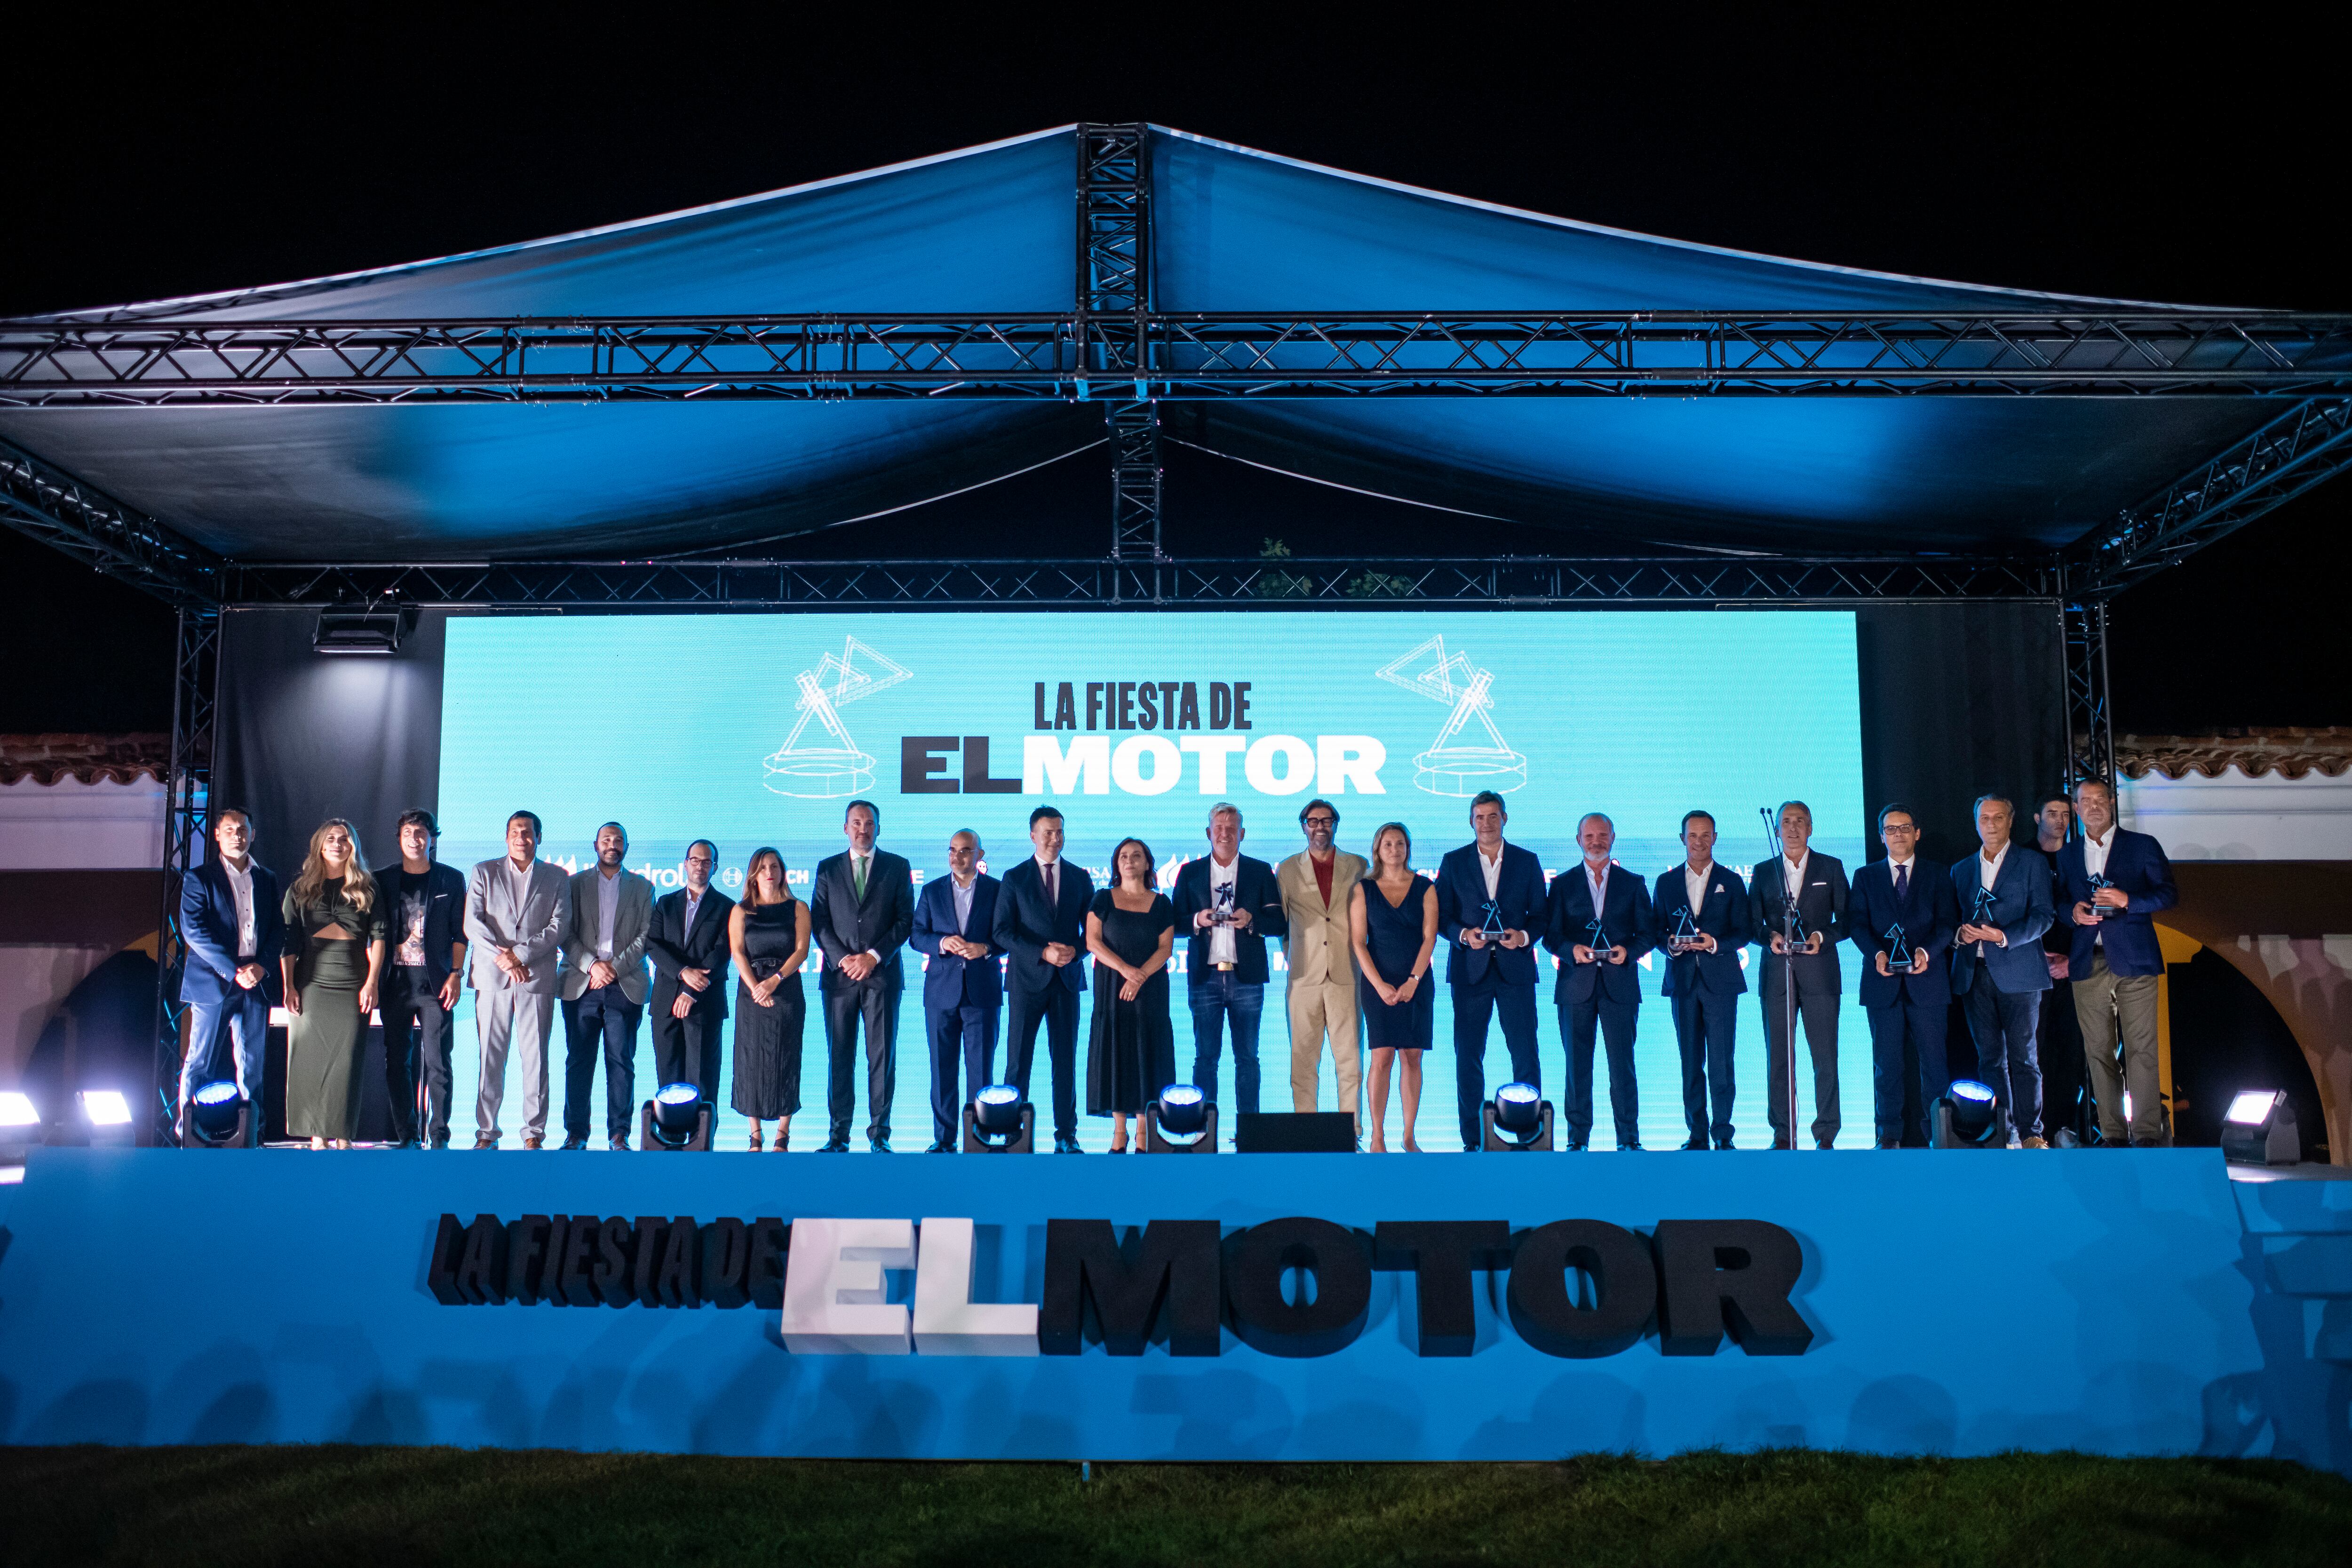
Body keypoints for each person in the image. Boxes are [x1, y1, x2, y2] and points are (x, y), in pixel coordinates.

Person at [2059, 778, 2178, 1146]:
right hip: (2087, 961)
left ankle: (2145, 1135)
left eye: (2100, 799)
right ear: (2076, 810)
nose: (2093, 806)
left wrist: (2129, 899)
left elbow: (2168, 894)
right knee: (2098, 1052)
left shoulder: (2142, 846)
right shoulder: (2067, 853)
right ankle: (2112, 1135)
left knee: (2142, 1050)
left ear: (2112, 803)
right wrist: (2074, 913)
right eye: (2085, 801)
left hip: (2136, 960)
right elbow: (2060, 902)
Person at [1434, 790, 1547, 1151]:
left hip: (1516, 970)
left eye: (1493, 816)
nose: (1486, 823)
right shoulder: (1453, 862)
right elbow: (1442, 918)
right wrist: (1465, 935)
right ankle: (1473, 1140)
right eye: (1480, 817)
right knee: (1468, 1055)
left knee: (1525, 1053)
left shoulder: (1527, 862)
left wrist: (1523, 936)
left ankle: (1530, 1136)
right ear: (1471, 821)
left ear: (1505, 819)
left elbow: (1541, 916)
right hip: (1471, 971)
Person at [1848, 804, 1958, 1148]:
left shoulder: (1939, 874)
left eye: (1905, 828)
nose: (1898, 834)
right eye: (1891, 829)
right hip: (1882, 984)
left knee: (1935, 1066)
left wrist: (1926, 953)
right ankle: (1889, 1134)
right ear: (1881, 836)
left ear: (1917, 832)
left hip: (1928, 982)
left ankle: (1938, 1134)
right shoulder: (1865, 877)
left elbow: (1947, 923)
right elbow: (1857, 924)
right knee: (1886, 1065)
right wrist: (1878, 953)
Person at [1543, 812, 1654, 1151]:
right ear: (1578, 840)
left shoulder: (1633, 882)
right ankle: (1577, 1140)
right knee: (1577, 1068)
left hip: (1619, 985)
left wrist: (1628, 950)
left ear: (1613, 837)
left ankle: (1629, 1139)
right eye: (1589, 836)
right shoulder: (1561, 884)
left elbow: (1648, 934)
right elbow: (1550, 936)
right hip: (1575, 985)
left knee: (1623, 1067)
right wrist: (1571, 949)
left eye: (1602, 835)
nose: (1596, 841)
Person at [1949, 794, 2056, 1147]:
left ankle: (2031, 1132)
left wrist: (2004, 936)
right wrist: (1960, 934)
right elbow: (1951, 919)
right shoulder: (1961, 869)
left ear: (2011, 821)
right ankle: (2002, 1130)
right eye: (1984, 819)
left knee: (2024, 1058)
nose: (1991, 825)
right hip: (1973, 972)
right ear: (1976, 822)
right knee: (1989, 1059)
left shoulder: (2031, 863)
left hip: (2020, 972)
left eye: (1998, 818)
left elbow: (2044, 915)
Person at [810, 799, 915, 1154]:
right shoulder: (827, 869)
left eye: (870, 823)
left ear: (879, 828)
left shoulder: (898, 867)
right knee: (839, 1056)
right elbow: (819, 922)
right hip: (839, 980)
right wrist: (844, 960)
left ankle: (880, 1135)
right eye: (856, 822)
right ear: (845, 828)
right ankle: (838, 1135)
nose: (863, 829)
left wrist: (871, 957)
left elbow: (905, 922)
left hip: (881, 976)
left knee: (881, 1057)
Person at [278, 819, 388, 1150]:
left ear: (352, 846)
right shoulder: (300, 889)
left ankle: (342, 1137)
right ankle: (316, 1136)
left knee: (346, 1063)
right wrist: (289, 986)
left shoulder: (368, 886)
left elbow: (380, 937)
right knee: (308, 1061)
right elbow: (288, 941)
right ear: (320, 845)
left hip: (353, 982)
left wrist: (372, 982)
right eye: (331, 839)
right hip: (311, 983)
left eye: (344, 839)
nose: (337, 844)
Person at [174, 805, 284, 1139]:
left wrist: (262, 966)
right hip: (214, 981)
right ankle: (187, 1134)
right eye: (230, 829)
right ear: (218, 835)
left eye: (243, 830)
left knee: (252, 1068)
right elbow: (193, 931)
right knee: (200, 1061)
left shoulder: (266, 878)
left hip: (256, 981)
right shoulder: (199, 878)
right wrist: (234, 970)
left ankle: (251, 1135)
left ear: (253, 834)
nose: (237, 835)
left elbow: (278, 928)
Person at [1172, 804, 1287, 1119]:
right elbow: (1172, 923)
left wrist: (1253, 921)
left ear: (1243, 833)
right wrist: (1197, 919)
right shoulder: (1190, 872)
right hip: (1205, 976)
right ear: (1209, 833)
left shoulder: (1261, 870)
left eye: (1232, 827)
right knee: (1205, 1059)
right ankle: (1202, 1129)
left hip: (1246, 978)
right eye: (1219, 827)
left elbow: (1279, 923)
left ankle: (1249, 1130)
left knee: (1248, 1058)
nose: (1225, 833)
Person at [464, 810, 571, 1149]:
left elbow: (559, 927)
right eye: (515, 832)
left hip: (535, 976)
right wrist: (506, 959)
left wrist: (519, 955)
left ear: (539, 837)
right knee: (490, 1057)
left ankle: (533, 1133)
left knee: (536, 1057)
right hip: (492, 977)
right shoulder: (484, 871)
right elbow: (473, 924)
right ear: (506, 836)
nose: (521, 838)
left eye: (527, 832)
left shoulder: (557, 876)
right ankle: (486, 1132)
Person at [1748, 800, 1850, 1150]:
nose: (1793, 828)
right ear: (1776, 829)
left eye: (1800, 821)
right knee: (1779, 1058)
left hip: (1820, 974)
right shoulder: (1763, 872)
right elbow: (1752, 923)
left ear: (1811, 827)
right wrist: (1770, 937)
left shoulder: (1831, 867)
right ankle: (1782, 1133)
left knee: (1825, 1058)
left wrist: (1823, 936)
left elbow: (1848, 920)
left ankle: (1826, 1134)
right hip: (1777, 976)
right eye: (1786, 822)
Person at [993, 805, 1095, 1153]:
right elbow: (1002, 932)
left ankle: (1066, 1135)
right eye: (1048, 832)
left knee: (1065, 1060)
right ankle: (1010, 1133)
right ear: (1033, 835)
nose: (1055, 838)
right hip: (1025, 981)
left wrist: (1074, 951)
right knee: (1018, 1061)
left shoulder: (1080, 878)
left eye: (1060, 832)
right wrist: (1042, 952)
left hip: (1066, 980)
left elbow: (1093, 932)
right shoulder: (1015, 877)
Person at [1653, 810, 1753, 1150]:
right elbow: (1655, 931)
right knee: (1690, 1060)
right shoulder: (1665, 883)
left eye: (1705, 835)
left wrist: (1714, 943)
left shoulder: (1732, 880)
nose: (1699, 841)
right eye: (1692, 835)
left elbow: (1745, 931)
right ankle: (1696, 1133)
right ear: (1682, 839)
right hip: (1682, 980)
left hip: (1721, 980)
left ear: (1715, 838)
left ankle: (1723, 1133)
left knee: (1722, 1060)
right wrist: (1669, 944)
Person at [558, 822, 654, 1151]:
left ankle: (620, 1134)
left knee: (621, 1062)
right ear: (595, 845)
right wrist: (592, 965)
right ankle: (576, 1134)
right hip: (581, 983)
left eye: (618, 840)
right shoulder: (574, 884)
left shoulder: (644, 887)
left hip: (624, 983)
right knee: (578, 1061)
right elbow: (563, 933)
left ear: (627, 846)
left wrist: (612, 967)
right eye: (606, 840)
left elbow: (646, 936)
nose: (612, 845)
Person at [374, 809, 466, 1148]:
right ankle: (408, 1136)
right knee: (397, 1061)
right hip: (395, 984)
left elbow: (460, 933)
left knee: (438, 1062)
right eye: (409, 832)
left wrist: (456, 974)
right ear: (399, 838)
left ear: (433, 837)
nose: (415, 838)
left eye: (422, 832)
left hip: (436, 985)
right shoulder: (381, 879)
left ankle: (439, 1135)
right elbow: (374, 934)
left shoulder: (451, 879)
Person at [1277, 798, 1367, 1130]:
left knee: (1350, 1060)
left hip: (1347, 972)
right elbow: (1281, 924)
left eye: (1326, 821)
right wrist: (1295, 954)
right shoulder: (1287, 869)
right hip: (1303, 976)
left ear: (1336, 824)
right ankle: (1306, 1131)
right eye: (1313, 821)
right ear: (1304, 826)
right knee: (1303, 1060)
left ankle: (1352, 1130)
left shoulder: (1358, 864)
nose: (1320, 827)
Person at [909, 829, 1001, 1152]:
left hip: (982, 993)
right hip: (940, 993)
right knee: (942, 1069)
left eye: (965, 851)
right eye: (952, 850)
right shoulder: (932, 890)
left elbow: (1007, 934)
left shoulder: (997, 890)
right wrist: (941, 943)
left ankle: (978, 1138)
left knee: (980, 1071)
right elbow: (917, 936)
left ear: (980, 855)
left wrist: (986, 947)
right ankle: (945, 1138)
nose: (957, 856)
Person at [1085, 837, 1177, 1152]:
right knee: (1116, 1050)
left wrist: (1140, 977)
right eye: (1123, 856)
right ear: (1116, 863)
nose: (1129, 860)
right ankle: (1119, 1132)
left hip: (1150, 989)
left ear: (1147, 863)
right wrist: (1126, 970)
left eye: (1136, 855)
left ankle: (1143, 1132)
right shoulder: (1102, 898)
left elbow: (1166, 947)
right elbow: (1093, 942)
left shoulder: (1161, 903)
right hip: (1112, 987)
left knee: (1147, 1050)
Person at [1350, 821, 1435, 1152]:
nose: (1395, 849)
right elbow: (1359, 942)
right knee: (1382, 1057)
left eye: (1400, 844)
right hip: (1377, 983)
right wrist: (1380, 984)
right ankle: (1377, 1135)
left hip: (1416, 983)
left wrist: (1413, 981)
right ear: (1378, 849)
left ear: (1408, 848)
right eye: (1388, 844)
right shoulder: (1364, 889)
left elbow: (1429, 938)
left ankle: (1409, 1135)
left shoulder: (1426, 887)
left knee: (1412, 1057)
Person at [728, 847, 810, 1151]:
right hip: (751, 992)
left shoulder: (797, 907)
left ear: (782, 870)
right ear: (753, 873)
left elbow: (801, 950)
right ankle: (755, 1134)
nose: (769, 872)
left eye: (774, 866)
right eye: (763, 867)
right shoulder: (741, 910)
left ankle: (783, 1133)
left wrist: (775, 981)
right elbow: (738, 952)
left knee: (786, 1056)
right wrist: (755, 987)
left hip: (786, 989)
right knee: (750, 1059)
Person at [647, 839, 733, 1112]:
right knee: (668, 1080)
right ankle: (671, 1143)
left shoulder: (727, 907)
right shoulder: (665, 903)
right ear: (685, 864)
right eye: (695, 860)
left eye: (706, 862)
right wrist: (683, 973)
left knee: (703, 1080)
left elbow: (722, 953)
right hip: (665, 1001)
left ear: (715, 868)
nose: (700, 866)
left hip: (704, 1003)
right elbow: (653, 945)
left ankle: (701, 1143)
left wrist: (690, 992)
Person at [2032, 795, 2088, 1138]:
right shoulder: (2021, 856)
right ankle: (2032, 1129)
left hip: (2074, 968)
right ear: (2036, 816)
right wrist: (2039, 958)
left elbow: (2091, 915)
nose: (2060, 820)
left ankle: (2065, 1127)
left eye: (2066, 814)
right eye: (2052, 813)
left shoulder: (2081, 856)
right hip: (2030, 968)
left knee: (2071, 1051)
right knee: (2032, 1055)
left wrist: (2072, 961)